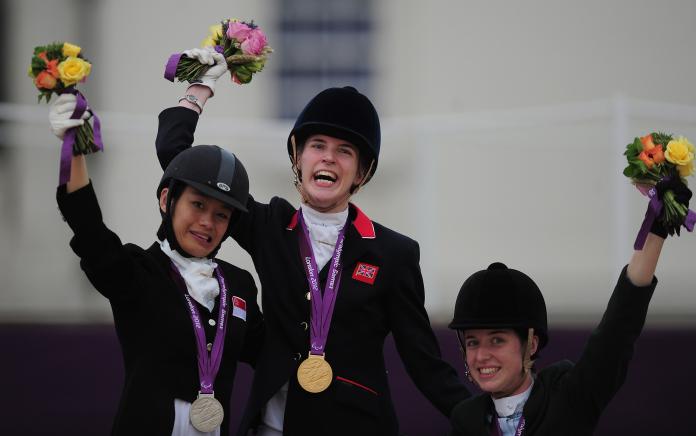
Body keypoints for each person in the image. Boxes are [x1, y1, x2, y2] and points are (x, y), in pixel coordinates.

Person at [155, 48, 470, 435]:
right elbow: (179, 163)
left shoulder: (394, 252)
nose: (328, 159)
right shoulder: (270, 225)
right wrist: (199, 90)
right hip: (273, 424)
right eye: (318, 145)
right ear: (298, 156)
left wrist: (487, 418)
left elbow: (424, 360)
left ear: (362, 172)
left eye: (345, 151)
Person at [51, 93, 264, 435]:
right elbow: (91, 231)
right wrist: (73, 150)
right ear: (167, 200)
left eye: (221, 215)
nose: (207, 223)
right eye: (197, 205)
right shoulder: (139, 271)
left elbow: (272, 355)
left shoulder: (239, 286)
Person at [447, 180, 692, 435]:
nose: (481, 355)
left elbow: (617, 331)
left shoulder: (568, 396)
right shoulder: (466, 420)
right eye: (473, 342)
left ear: (531, 344)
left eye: (497, 340)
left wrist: (656, 231)